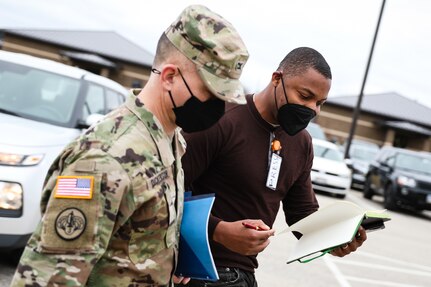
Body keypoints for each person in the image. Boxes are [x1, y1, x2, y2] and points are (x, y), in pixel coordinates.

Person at [10, 5, 249, 287]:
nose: (218, 106)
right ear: (170, 77)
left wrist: (165, 263)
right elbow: (49, 279)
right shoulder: (104, 159)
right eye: (209, 93)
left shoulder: (169, 138)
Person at [180, 47, 367, 286]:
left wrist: (335, 240)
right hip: (196, 272)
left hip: (244, 276)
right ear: (277, 79)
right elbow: (168, 193)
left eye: (320, 103)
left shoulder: (302, 143)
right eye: (305, 96)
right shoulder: (222, 119)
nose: (312, 109)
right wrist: (219, 230)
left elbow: (301, 215)